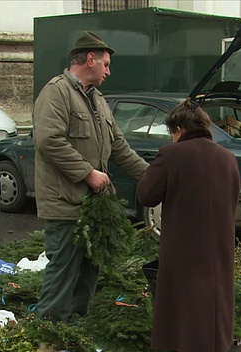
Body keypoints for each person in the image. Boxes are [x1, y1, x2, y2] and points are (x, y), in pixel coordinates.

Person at [33, 31, 149, 323]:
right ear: (90, 59)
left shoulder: (97, 99)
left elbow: (119, 147)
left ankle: (75, 330)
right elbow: (48, 141)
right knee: (63, 274)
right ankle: (50, 335)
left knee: (88, 273)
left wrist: (153, 176)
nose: (109, 72)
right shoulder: (56, 92)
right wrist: (88, 174)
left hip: (93, 209)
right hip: (66, 205)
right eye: (106, 64)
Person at [136, 98, 241, 352]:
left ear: (179, 130)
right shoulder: (228, 158)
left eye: (172, 133)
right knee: (212, 316)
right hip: (219, 252)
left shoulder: (172, 155)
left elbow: (146, 195)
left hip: (184, 253)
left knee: (181, 320)